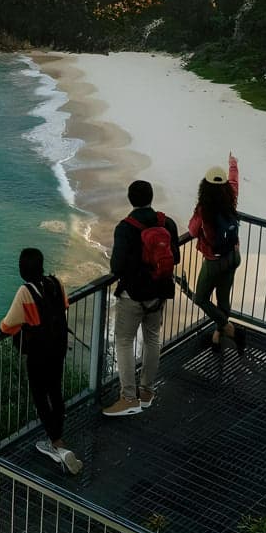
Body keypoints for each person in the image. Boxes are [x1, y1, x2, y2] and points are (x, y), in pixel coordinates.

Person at [0, 247, 83, 474]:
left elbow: (7, 326)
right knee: (55, 390)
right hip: (58, 348)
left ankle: (55, 443)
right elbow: (64, 306)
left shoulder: (25, 291)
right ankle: (58, 436)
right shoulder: (56, 282)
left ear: (22, 269)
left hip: (38, 353)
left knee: (40, 396)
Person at [103, 179, 181, 417]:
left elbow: (116, 266)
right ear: (151, 197)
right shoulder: (166, 223)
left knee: (124, 341)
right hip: (159, 292)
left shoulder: (125, 228)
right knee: (152, 338)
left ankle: (128, 398)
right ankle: (146, 392)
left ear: (130, 199)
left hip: (133, 294)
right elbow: (175, 257)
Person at [189, 152, 244, 353]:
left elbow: (193, 230)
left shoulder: (204, 209)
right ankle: (218, 337)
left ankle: (228, 329)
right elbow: (234, 181)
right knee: (223, 299)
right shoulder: (231, 198)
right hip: (233, 255)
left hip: (214, 261)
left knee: (201, 298)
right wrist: (233, 163)